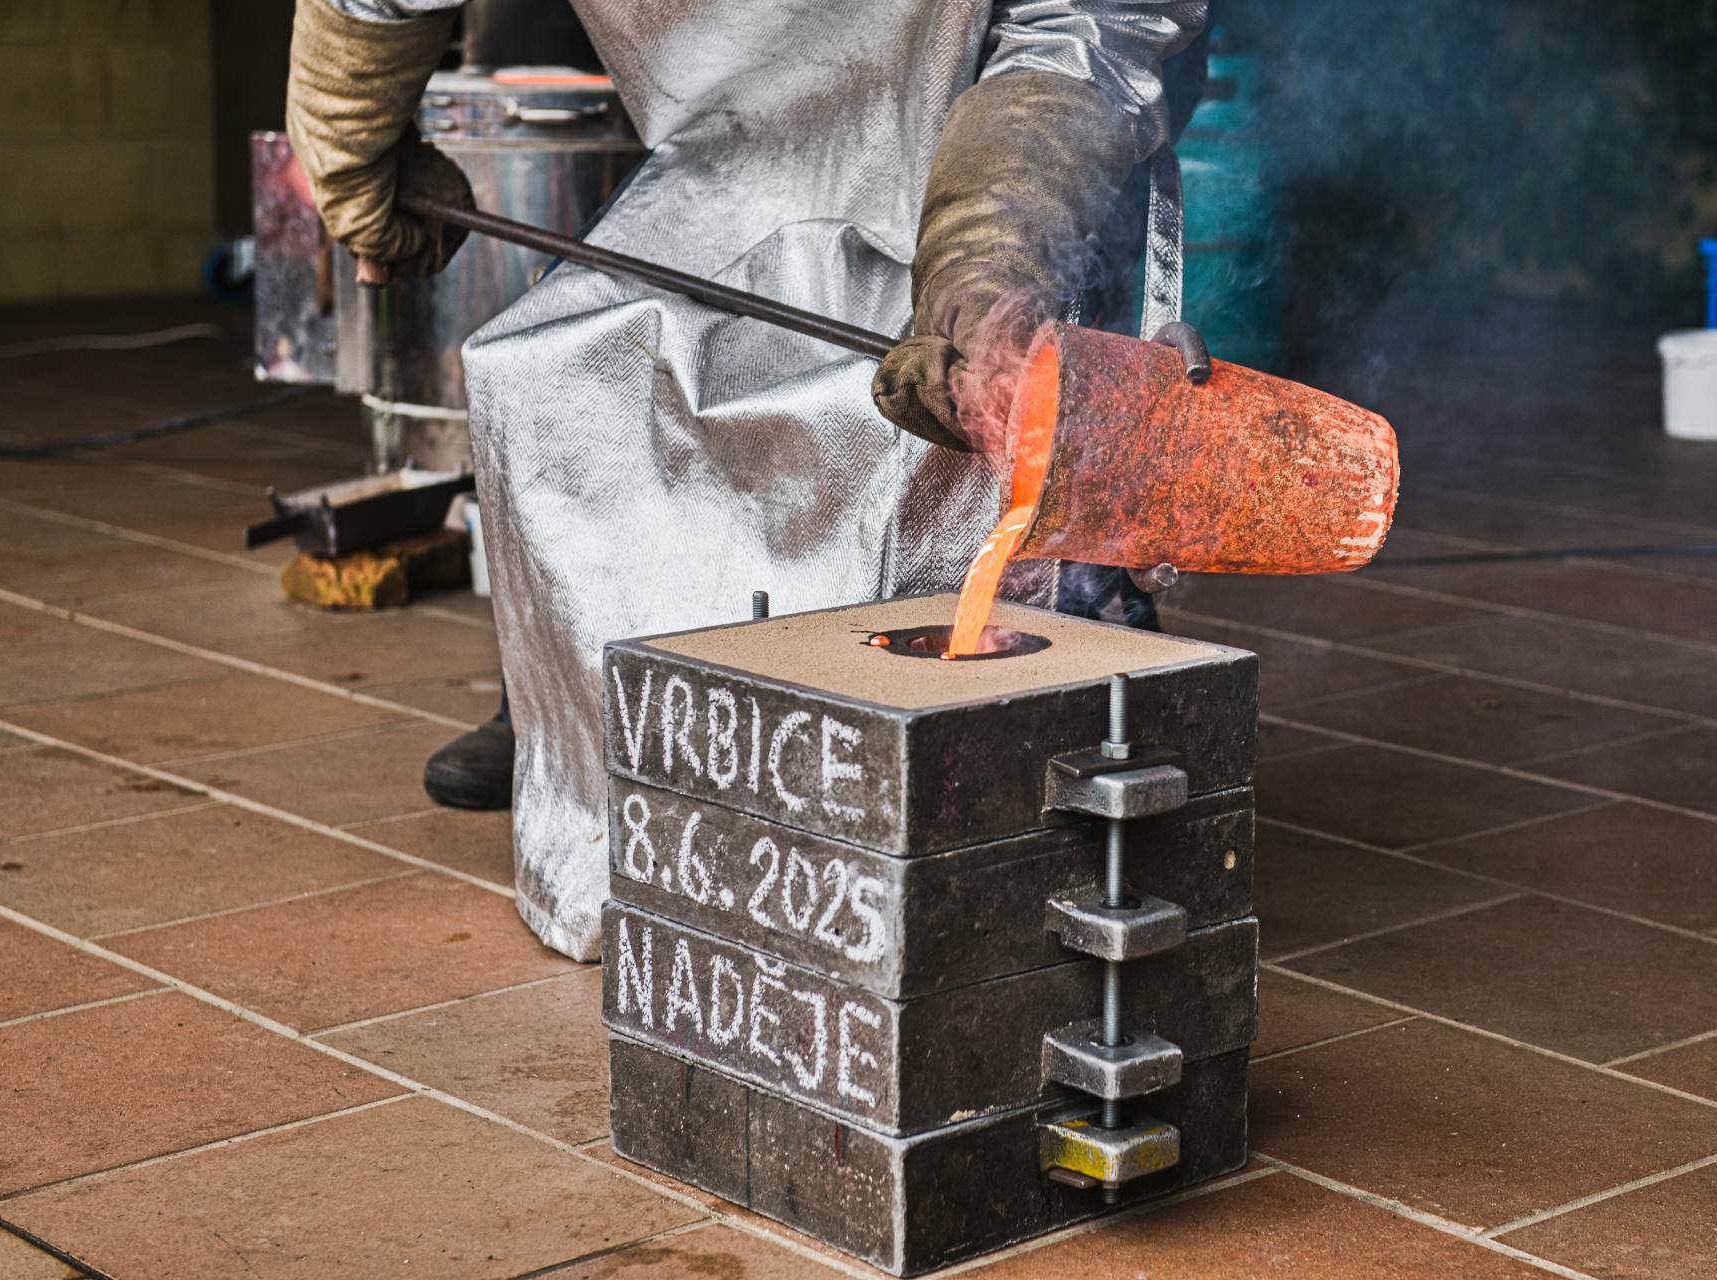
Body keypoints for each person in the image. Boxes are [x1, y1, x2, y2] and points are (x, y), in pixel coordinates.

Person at [288, 0, 1208, 959]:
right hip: (726, 155)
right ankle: (583, 699)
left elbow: (1097, 21)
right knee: (556, 368)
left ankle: (1067, 753)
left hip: (1002, 138)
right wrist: (352, 125)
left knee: (1006, 445)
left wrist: (987, 253)